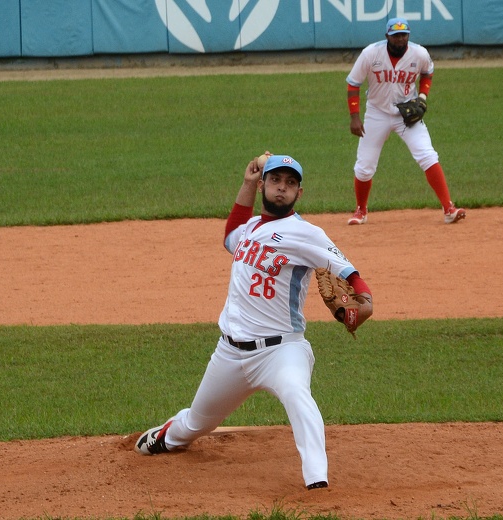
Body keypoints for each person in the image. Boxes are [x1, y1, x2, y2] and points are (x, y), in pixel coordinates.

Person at [135, 153, 374, 491]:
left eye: (290, 184)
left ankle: (316, 481)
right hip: (230, 354)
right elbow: (230, 234)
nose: (282, 188)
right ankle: (167, 437)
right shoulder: (249, 229)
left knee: (297, 395)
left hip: (282, 351)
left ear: (299, 193)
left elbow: (349, 272)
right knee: (197, 422)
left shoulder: (306, 234)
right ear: (264, 184)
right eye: (276, 181)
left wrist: (366, 300)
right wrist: (246, 183)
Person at [346, 17, 466, 225]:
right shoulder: (371, 53)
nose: (400, 39)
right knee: (365, 166)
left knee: (427, 155)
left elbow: (427, 73)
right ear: (387, 37)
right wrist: (355, 117)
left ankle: (449, 208)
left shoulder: (419, 53)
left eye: (404, 35)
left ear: (408, 36)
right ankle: (361, 210)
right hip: (377, 113)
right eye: (395, 36)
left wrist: (422, 97)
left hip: (406, 114)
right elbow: (353, 84)